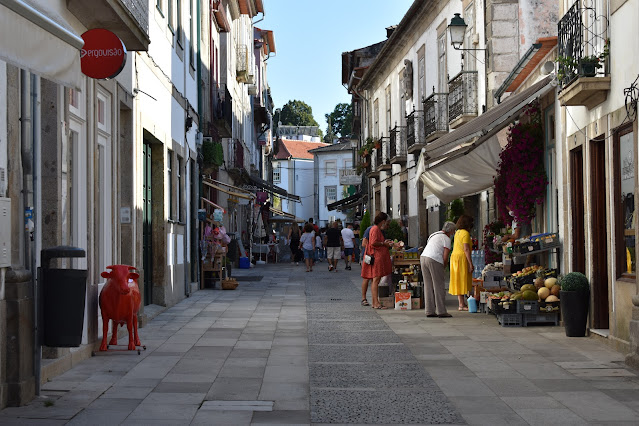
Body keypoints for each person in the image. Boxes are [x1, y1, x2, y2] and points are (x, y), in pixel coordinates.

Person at [421, 221, 456, 318]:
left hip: (423, 257)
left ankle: (429, 310)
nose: (453, 233)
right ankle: (441, 311)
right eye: (453, 231)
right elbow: (445, 256)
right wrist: (443, 267)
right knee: (439, 285)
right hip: (434, 259)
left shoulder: (434, 235)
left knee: (428, 285)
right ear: (451, 231)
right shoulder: (446, 239)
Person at [361, 212, 393, 309]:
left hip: (377, 256)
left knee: (375, 280)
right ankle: (376, 303)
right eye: (386, 222)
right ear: (383, 221)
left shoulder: (375, 229)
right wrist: (384, 244)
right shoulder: (375, 229)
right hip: (377, 257)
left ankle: (376, 302)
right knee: (375, 280)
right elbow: (374, 242)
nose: (386, 224)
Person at [449, 214, 475, 311]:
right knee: (463, 279)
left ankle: (461, 303)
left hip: (454, 257)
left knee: (458, 280)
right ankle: (462, 304)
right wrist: (470, 263)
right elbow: (466, 249)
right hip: (462, 258)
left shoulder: (458, 232)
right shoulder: (465, 233)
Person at [360, 223, 374, 306]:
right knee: (367, 277)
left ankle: (374, 299)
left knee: (374, 278)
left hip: (375, 256)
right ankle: (363, 298)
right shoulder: (370, 229)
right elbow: (364, 243)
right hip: (368, 257)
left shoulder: (381, 230)